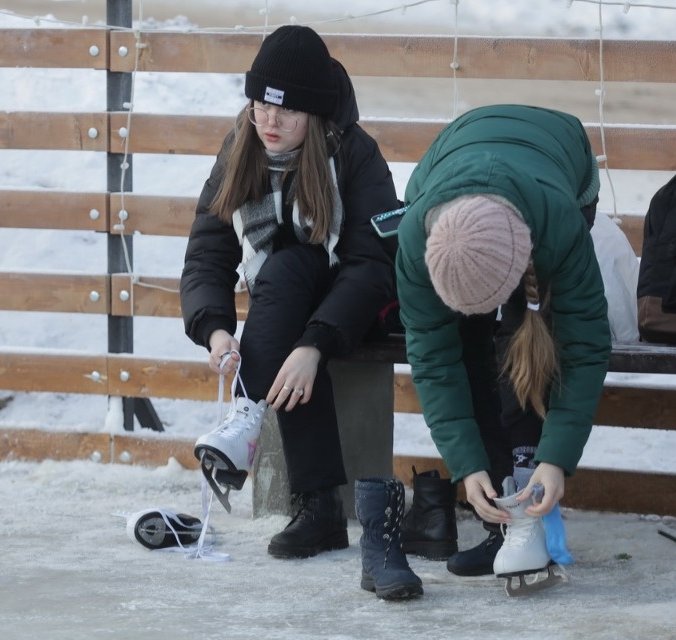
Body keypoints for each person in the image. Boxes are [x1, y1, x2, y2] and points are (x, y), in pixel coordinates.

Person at [180, 25, 399, 560]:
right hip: (283, 301)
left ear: (316, 113)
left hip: (359, 302)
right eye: (260, 105)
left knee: (288, 269)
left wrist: (314, 345)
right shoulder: (241, 146)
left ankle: (247, 418)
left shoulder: (354, 154)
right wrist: (214, 330)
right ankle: (320, 509)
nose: (269, 121)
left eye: (287, 110)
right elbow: (208, 250)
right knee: (281, 272)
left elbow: (373, 263)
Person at [394, 104, 612, 583]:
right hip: (459, 147)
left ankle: (533, 490)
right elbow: (433, 357)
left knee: (530, 329)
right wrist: (466, 466)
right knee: (467, 343)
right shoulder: (414, 238)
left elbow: (585, 345)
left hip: (560, 164)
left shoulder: (560, 228)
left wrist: (557, 459)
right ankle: (498, 507)